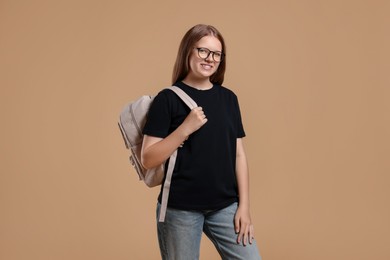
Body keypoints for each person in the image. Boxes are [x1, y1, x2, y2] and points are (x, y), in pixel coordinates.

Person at [141, 24, 261, 260]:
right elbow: (148, 158)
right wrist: (185, 128)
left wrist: (244, 206)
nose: (210, 59)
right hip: (180, 210)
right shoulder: (167, 99)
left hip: (225, 206)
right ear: (188, 51)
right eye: (203, 51)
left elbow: (239, 155)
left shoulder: (229, 99)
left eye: (216, 54)